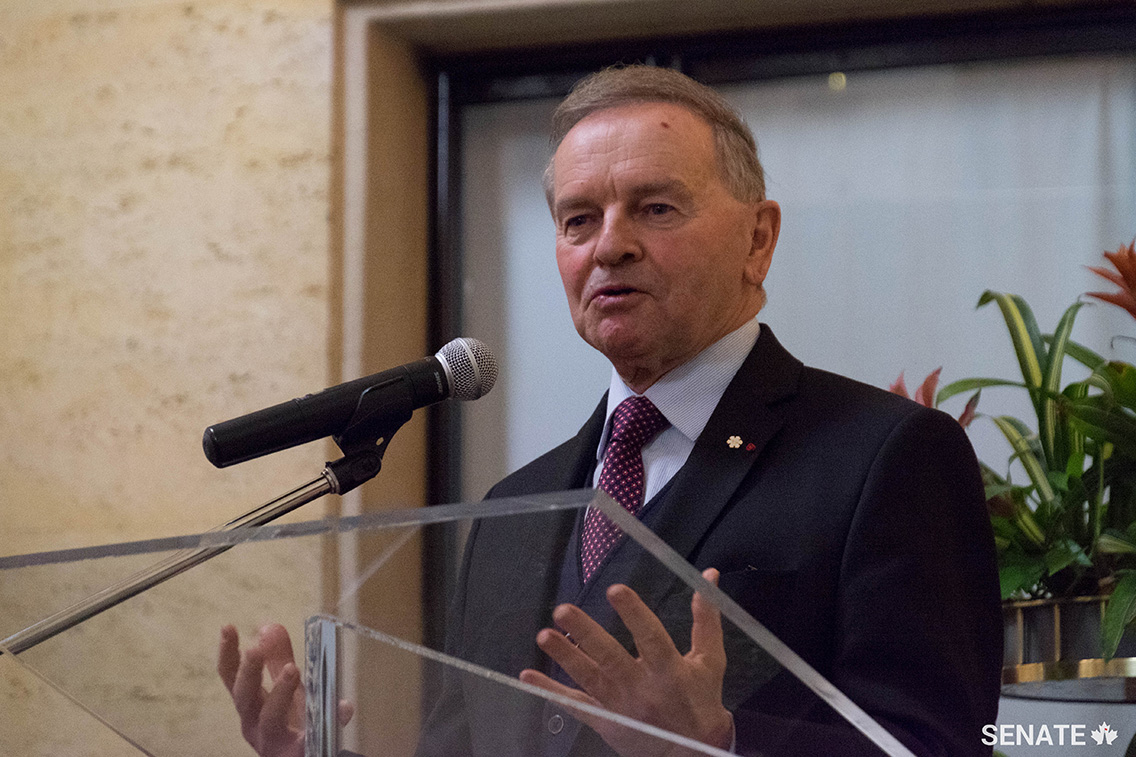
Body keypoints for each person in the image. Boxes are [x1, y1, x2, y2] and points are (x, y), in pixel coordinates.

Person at [219, 64, 1002, 757]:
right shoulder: (511, 508)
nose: (609, 246)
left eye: (656, 209)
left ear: (758, 240)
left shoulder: (885, 457)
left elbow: (939, 743)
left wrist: (721, 745)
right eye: (578, 219)